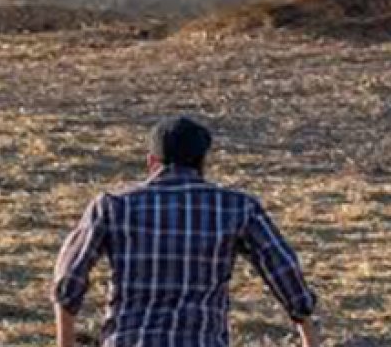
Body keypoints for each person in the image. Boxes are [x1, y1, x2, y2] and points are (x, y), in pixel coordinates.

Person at [51, 116, 320, 347]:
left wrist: (65, 341)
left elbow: (68, 277)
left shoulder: (113, 206)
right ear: (202, 162)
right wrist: (308, 332)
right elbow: (284, 270)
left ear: (151, 161)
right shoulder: (236, 207)